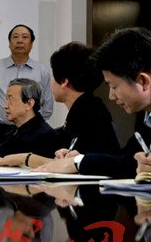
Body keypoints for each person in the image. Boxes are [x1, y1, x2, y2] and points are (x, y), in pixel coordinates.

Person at [36, 28, 151, 178]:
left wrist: (79, 162)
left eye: (114, 86)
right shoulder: (146, 118)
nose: (111, 96)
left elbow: (126, 163)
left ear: (143, 81)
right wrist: (80, 158)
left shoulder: (91, 112)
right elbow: (126, 158)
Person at [0, 42, 120, 168]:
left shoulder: (89, 114)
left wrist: (23, 158)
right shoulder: (86, 109)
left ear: (64, 81)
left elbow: (72, 164)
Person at [0, 24, 53, 154]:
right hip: (0, 132)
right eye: (15, 37)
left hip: (32, 134)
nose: (20, 41)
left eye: (25, 37)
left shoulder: (42, 71)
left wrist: (31, 125)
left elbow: (47, 107)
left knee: (27, 164)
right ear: (9, 43)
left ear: (32, 44)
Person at [0, 78, 56, 165]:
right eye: (6, 99)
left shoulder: (46, 137)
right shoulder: (11, 132)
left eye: (11, 99)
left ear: (29, 104)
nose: (5, 106)